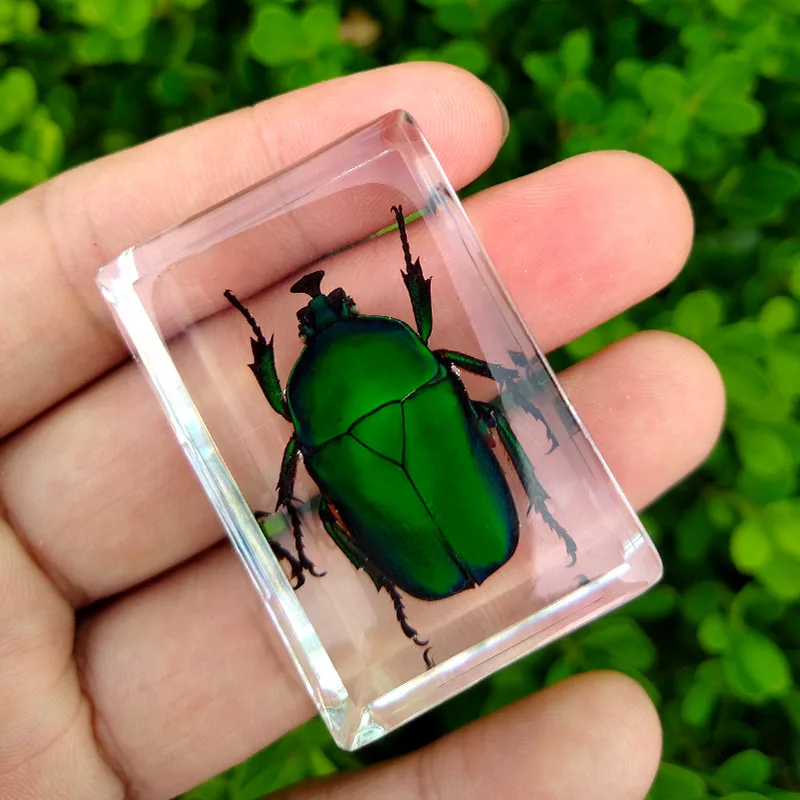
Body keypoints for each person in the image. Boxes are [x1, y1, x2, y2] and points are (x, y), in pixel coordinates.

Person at [0, 62, 725, 799]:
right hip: (476, 512)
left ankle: (400, 587)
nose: (323, 311)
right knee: (491, 412)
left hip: (416, 536)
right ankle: (529, 526)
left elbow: (291, 426)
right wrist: (418, 260)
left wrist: (264, 345)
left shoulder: (303, 421)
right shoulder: (417, 360)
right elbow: (453, 356)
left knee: (392, 465)